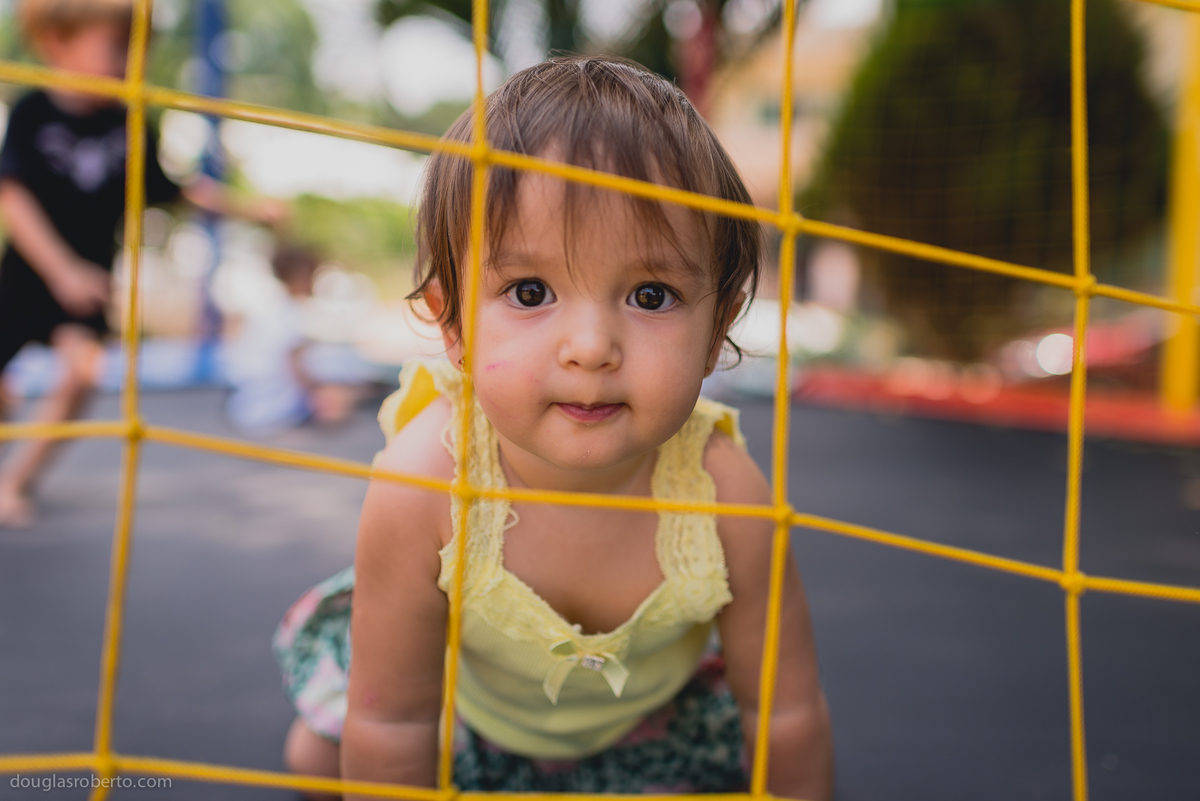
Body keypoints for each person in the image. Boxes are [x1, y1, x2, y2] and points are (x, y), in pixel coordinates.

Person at [273, 56, 833, 799]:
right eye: (530, 291)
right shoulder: (423, 483)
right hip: (464, 721)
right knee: (317, 754)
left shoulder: (726, 491)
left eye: (651, 293)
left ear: (717, 325)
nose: (591, 347)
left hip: (649, 728)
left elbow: (784, 711)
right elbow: (396, 723)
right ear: (452, 324)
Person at [0, 0, 283, 526]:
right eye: (116, 47)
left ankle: (13, 481)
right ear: (59, 44)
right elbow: (12, 198)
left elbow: (172, 190)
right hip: (26, 275)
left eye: (139, 49)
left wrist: (247, 208)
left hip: (87, 283)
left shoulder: (130, 119)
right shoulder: (33, 110)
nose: (132, 61)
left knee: (83, 372)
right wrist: (61, 269)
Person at [223, 244, 363, 434]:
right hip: (273, 402)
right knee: (341, 393)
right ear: (300, 276)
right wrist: (320, 388)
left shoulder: (270, 306)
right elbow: (295, 366)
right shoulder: (291, 313)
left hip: (247, 398)